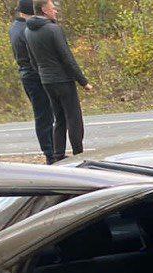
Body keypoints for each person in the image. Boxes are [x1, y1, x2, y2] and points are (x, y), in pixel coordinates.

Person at [24, 0, 93, 161]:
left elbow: (32, 60)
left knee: (59, 118)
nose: (55, 11)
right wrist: (83, 81)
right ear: (44, 10)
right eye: (52, 8)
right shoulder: (53, 29)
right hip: (62, 80)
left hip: (47, 81)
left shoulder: (27, 31)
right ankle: (78, 154)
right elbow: (67, 58)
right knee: (73, 117)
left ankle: (58, 154)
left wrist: (43, 74)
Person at [9, 0, 53, 163]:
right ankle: (50, 153)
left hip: (27, 74)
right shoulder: (24, 29)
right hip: (33, 75)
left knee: (45, 114)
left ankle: (51, 150)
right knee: (43, 115)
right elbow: (33, 57)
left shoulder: (15, 27)